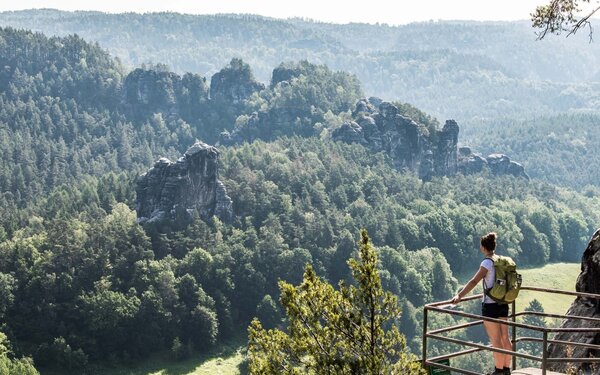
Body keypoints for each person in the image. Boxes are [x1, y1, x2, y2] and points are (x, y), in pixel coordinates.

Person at [451, 232, 512, 375]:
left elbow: (474, 281)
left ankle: (498, 371)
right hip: (503, 302)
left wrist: (459, 296)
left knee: (495, 340)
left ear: (483, 247)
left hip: (490, 305)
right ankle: (507, 369)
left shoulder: (487, 262)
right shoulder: (500, 261)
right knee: (505, 338)